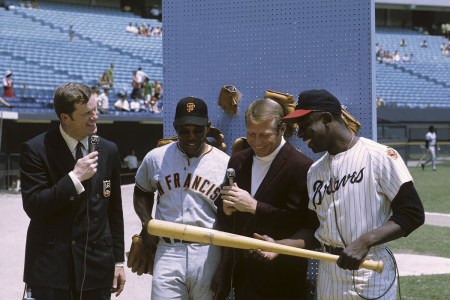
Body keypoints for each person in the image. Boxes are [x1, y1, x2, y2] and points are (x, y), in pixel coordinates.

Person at [279, 89, 424, 299]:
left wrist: (366, 240)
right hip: (329, 272)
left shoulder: (378, 156)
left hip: (370, 270)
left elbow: (412, 213)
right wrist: (279, 245)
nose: (300, 134)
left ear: (327, 119)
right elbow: (314, 229)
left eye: (304, 125)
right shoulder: (314, 171)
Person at [19, 83, 126, 299]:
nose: (95, 117)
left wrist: (117, 261)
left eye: (95, 110)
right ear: (65, 118)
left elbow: (114, 211)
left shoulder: (109, 149)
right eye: (87, 113)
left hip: (97, 266)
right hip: (51, 270)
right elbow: (35, 206)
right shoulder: (35, 149)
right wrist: (74, 178)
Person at [212, 98, 319, 300]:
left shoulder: (302, 166)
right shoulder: (237, 161)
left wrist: (254, 206)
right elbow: (226, 221)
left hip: (285, 278)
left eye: (264, 135)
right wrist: (225, 210)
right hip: (245, 278)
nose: (257, 142)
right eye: (251, 134)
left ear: (282, 129)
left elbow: (303, 222)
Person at [132, 96, 230, 299]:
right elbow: (142, 191)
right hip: (168, 250)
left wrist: (224, 267)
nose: (191, 136)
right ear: (175, 127)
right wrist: (146, 223)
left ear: (208, 126)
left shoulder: (225, 163)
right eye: (184, 131)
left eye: (198, 130)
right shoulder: (156, 157)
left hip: (208, 250)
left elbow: (231, 219)